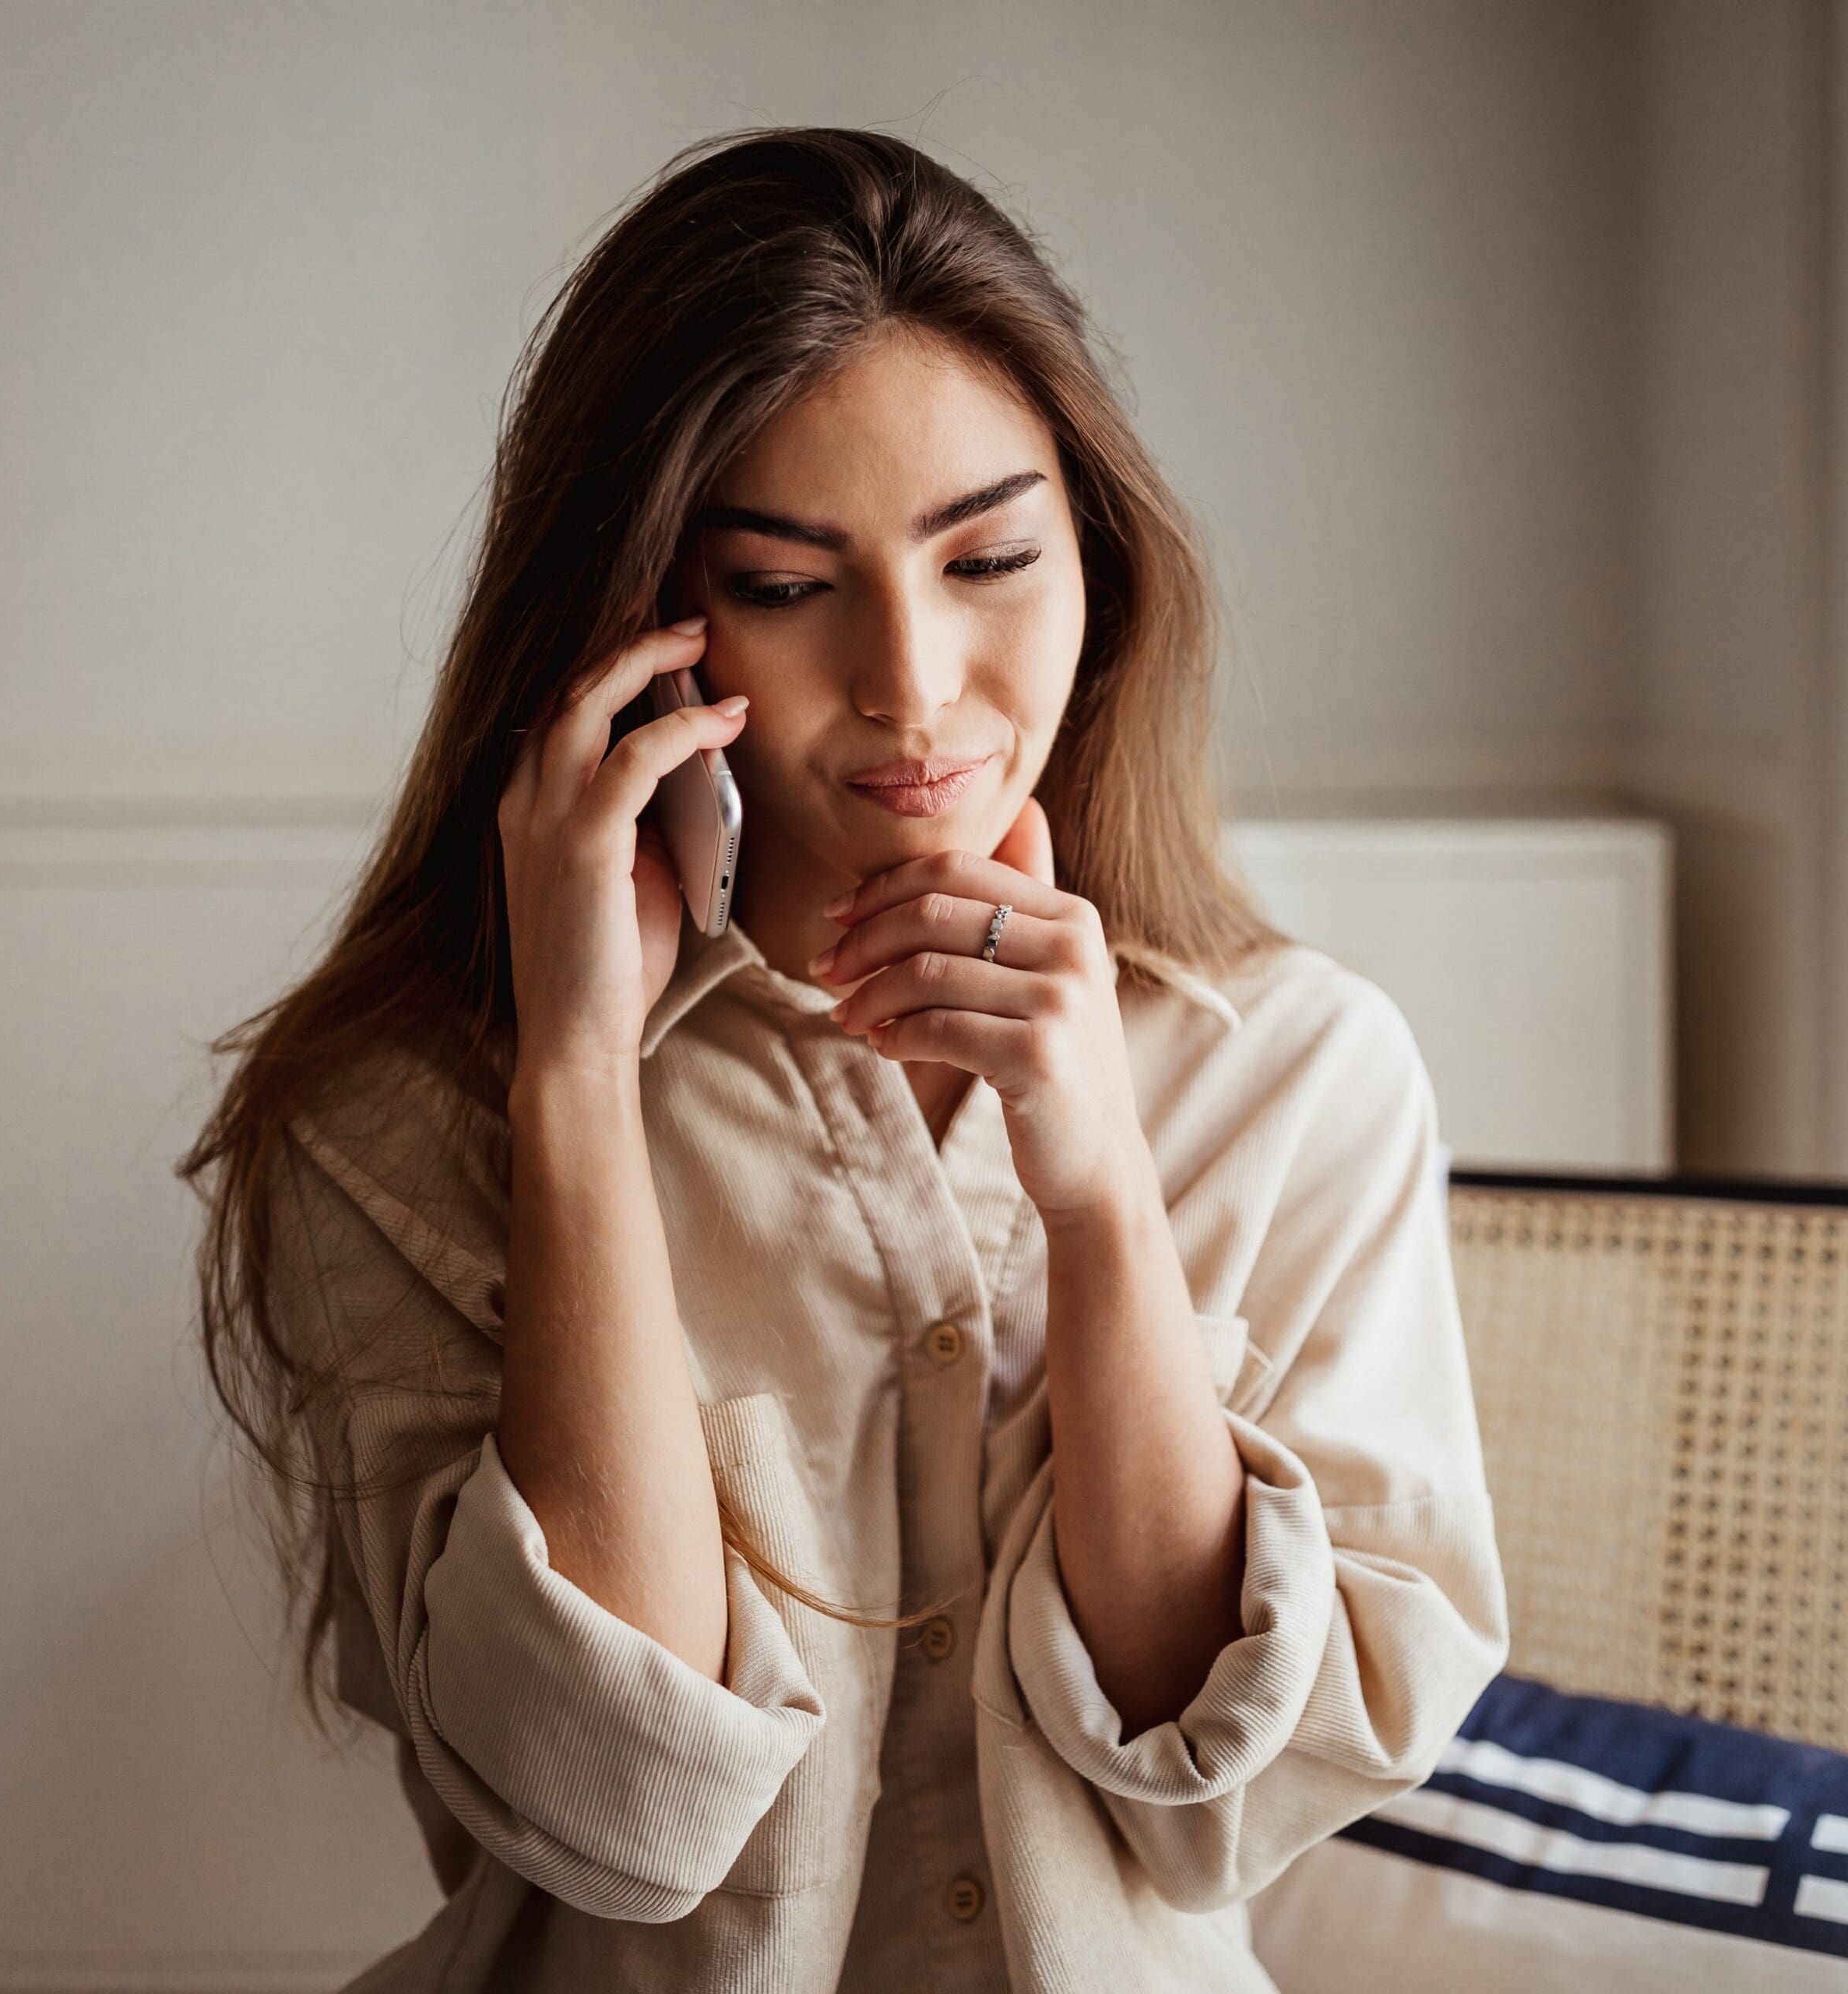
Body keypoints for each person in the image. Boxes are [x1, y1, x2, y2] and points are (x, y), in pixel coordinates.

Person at [180, 125, 1511, 1993]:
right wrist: (578, 1075)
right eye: (790, 585)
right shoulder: (397, 1118)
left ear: (1095, 561)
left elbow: (1228, 1792)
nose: (911, 680)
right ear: (639, 611)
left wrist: (1100, 1189)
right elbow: (613, 1804)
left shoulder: (1304, 1073)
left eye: (987, 557)